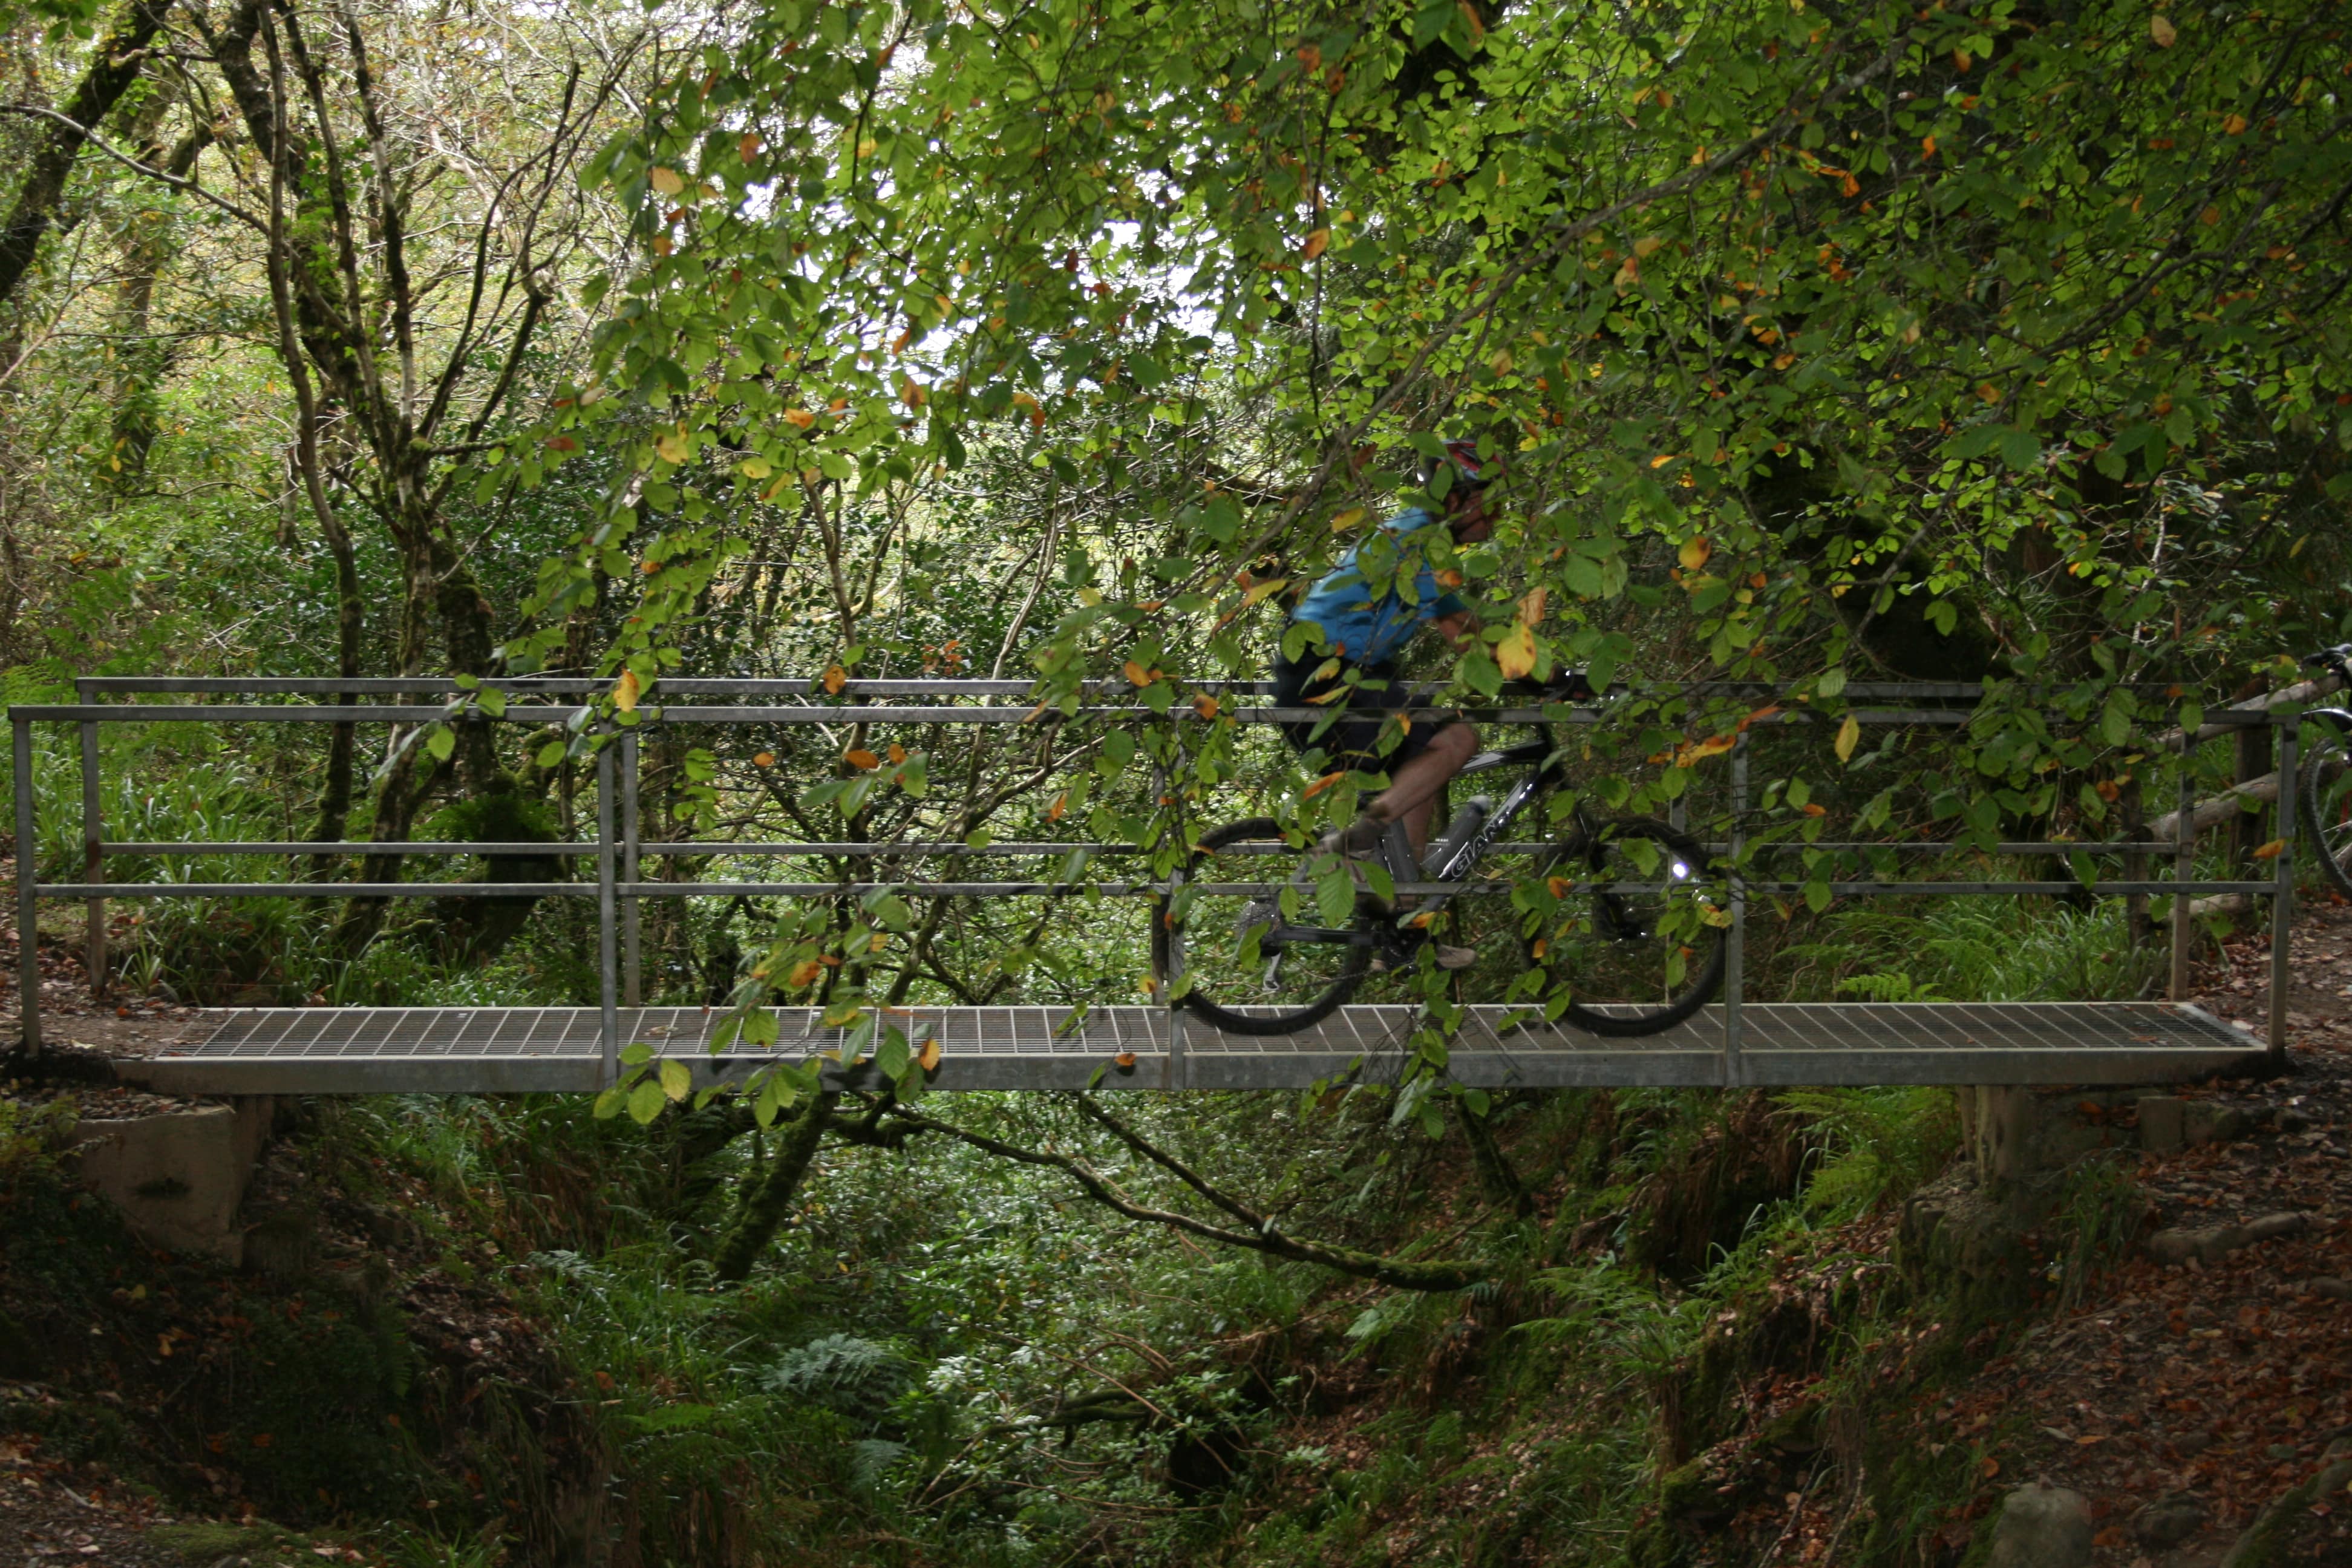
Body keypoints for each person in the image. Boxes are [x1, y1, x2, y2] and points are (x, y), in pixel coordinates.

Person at [1272, 439, 1498, 961]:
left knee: (1421, 757)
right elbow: (1464, 633)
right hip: (1328, 678)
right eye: (1491, 501)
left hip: (1344, 676)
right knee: (1459, 737)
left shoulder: (1415, 536)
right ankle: (1360, 837)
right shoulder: (1419, 543)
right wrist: (1548, 674)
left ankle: (1405, 923)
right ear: (1461, 499)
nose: (1499, 515)